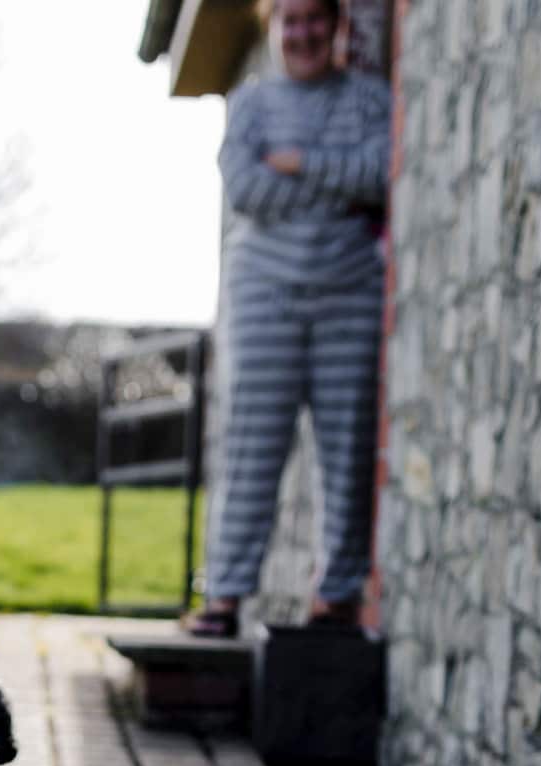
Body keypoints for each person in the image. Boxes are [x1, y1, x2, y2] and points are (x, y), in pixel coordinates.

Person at [183, 0, 391, 639]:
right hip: (263, 297)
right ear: (272, 28)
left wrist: (299, 163)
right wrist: (337, 185)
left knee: (348, 448)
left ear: (335, 28)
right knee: (252, 448)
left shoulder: (368, 99)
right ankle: (224, 598)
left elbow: (381, 173)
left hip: (349, 296)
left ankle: (336, 595)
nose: (301, 34)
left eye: (313, 20)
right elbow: (246, 189)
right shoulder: (249, 104)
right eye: (288, 21)